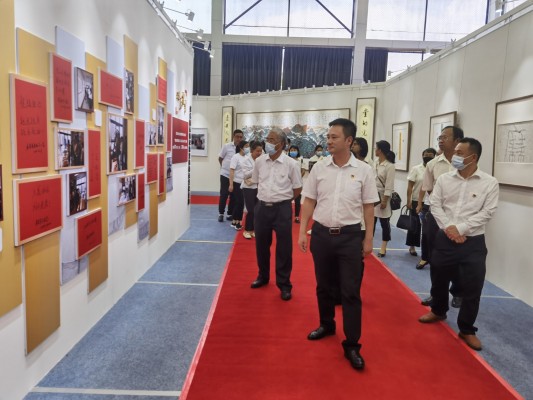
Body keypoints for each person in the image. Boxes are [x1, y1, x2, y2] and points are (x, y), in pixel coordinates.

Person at [298, 118, 378, 371]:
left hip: (350, 237)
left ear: (349, 141)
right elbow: (309, 201)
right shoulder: (319, 168)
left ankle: (352, 344)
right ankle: (327, 324)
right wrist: (302, 231)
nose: (329, 141)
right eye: (328, 136)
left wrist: (368, 238)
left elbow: (368, 207)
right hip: (321, 234)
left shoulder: (364, 170)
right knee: (324, 285)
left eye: (334, 137)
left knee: (350, 291)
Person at [419, 138, 498, 351]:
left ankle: (467, 329)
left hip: (473, 242)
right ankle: (438, 310)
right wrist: (450, 229)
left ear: (473, 157)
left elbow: (488, 212)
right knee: (439, 276)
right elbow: (435, 205)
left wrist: (461, 229)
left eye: (460, 153)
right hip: (445, 237)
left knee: (473, 286)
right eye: (455, 152)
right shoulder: (445, 179)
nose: (455, 156)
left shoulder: (489, 182)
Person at [250, 128, 302, 301]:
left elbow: (297, 188)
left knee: (284, 249)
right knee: (261, 246)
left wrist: (283, 200)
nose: (268, 142)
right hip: (262, 208)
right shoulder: (259, 161)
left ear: (281, 144)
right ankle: (263, 276)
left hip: (282, 209)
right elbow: (257, 182)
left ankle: (284, 284)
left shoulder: (291, 164)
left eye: (272, 140)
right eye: (267, 139)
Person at [417, 126, 464, 308]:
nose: (441, 140)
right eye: (439, 137)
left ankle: (458, 291)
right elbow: (429, 189)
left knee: (458, 256)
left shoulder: (464, 163)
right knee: (435, 257)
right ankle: (436, 294)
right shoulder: (433, 164)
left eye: (445, 137)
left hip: (459, 217)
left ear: (457, 140)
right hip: (435, 215)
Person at [405, 148, 436, 258]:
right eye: (426, 155)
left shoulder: (435, 169)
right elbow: (410, 186)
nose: (428, 157)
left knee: (428, 227)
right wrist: (408, 200)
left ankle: (428, 250)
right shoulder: (416, 169)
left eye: (431, 155)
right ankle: (412, 246)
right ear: (422, 156)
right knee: (415, 225)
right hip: (415, 200)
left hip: (430, 201)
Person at [373, 140, 396, 257]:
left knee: (384, 223)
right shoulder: (375, 163)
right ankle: (368, 243)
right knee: (371, 222)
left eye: (376, 148)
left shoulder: (390, 166)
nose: (375, 150)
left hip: (383, 197)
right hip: (373, 197)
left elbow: (389, 185)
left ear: (380, 150)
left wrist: (385, 200)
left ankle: (383, 247)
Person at [218, 129, 244, 222]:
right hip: (225, 175)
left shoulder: (243, 149)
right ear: (233, 136)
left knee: (233, 196)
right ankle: (221, 213)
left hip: (236, 177)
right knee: (224, 194)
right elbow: (220, 158)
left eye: (241, 137)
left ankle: (230, 214)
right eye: (237, 137)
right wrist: (225, 167)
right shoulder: (227, 146)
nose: (239, 139)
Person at [241, 141, 263, 239]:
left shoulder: (261, 160)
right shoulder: (246, 160)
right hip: (248, 187)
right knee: (250, 210)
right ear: (251, 151)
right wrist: (256, 168)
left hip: (259, 187)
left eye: (260, 151)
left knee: (257, 210)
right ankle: (247, 230)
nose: (259, 153)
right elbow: (245, 175)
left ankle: (253, 230)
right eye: (257, 151)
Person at [229, 141, 249, 230]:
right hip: (236, 182)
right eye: (246, 146)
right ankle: (238, 222)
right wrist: (231, 184)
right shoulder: (235, 157)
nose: (248, 148)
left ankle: (234, 221)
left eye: (248, 146)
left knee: (240, 203)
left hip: (244, 183)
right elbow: (231, 170)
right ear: (241, 147)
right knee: (239, 202)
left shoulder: (247, 157)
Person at [288, 145, 304, 223]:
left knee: (297, 201)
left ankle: (297, 217)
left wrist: (298, 177)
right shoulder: (287, 160)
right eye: (291, 150)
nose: (293, 151)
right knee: (288, 201)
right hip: (288, 184)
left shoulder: (300, 160)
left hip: (298, 184)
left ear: (297, 151)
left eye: (294, 150)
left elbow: (303, 170)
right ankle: (288, 215)